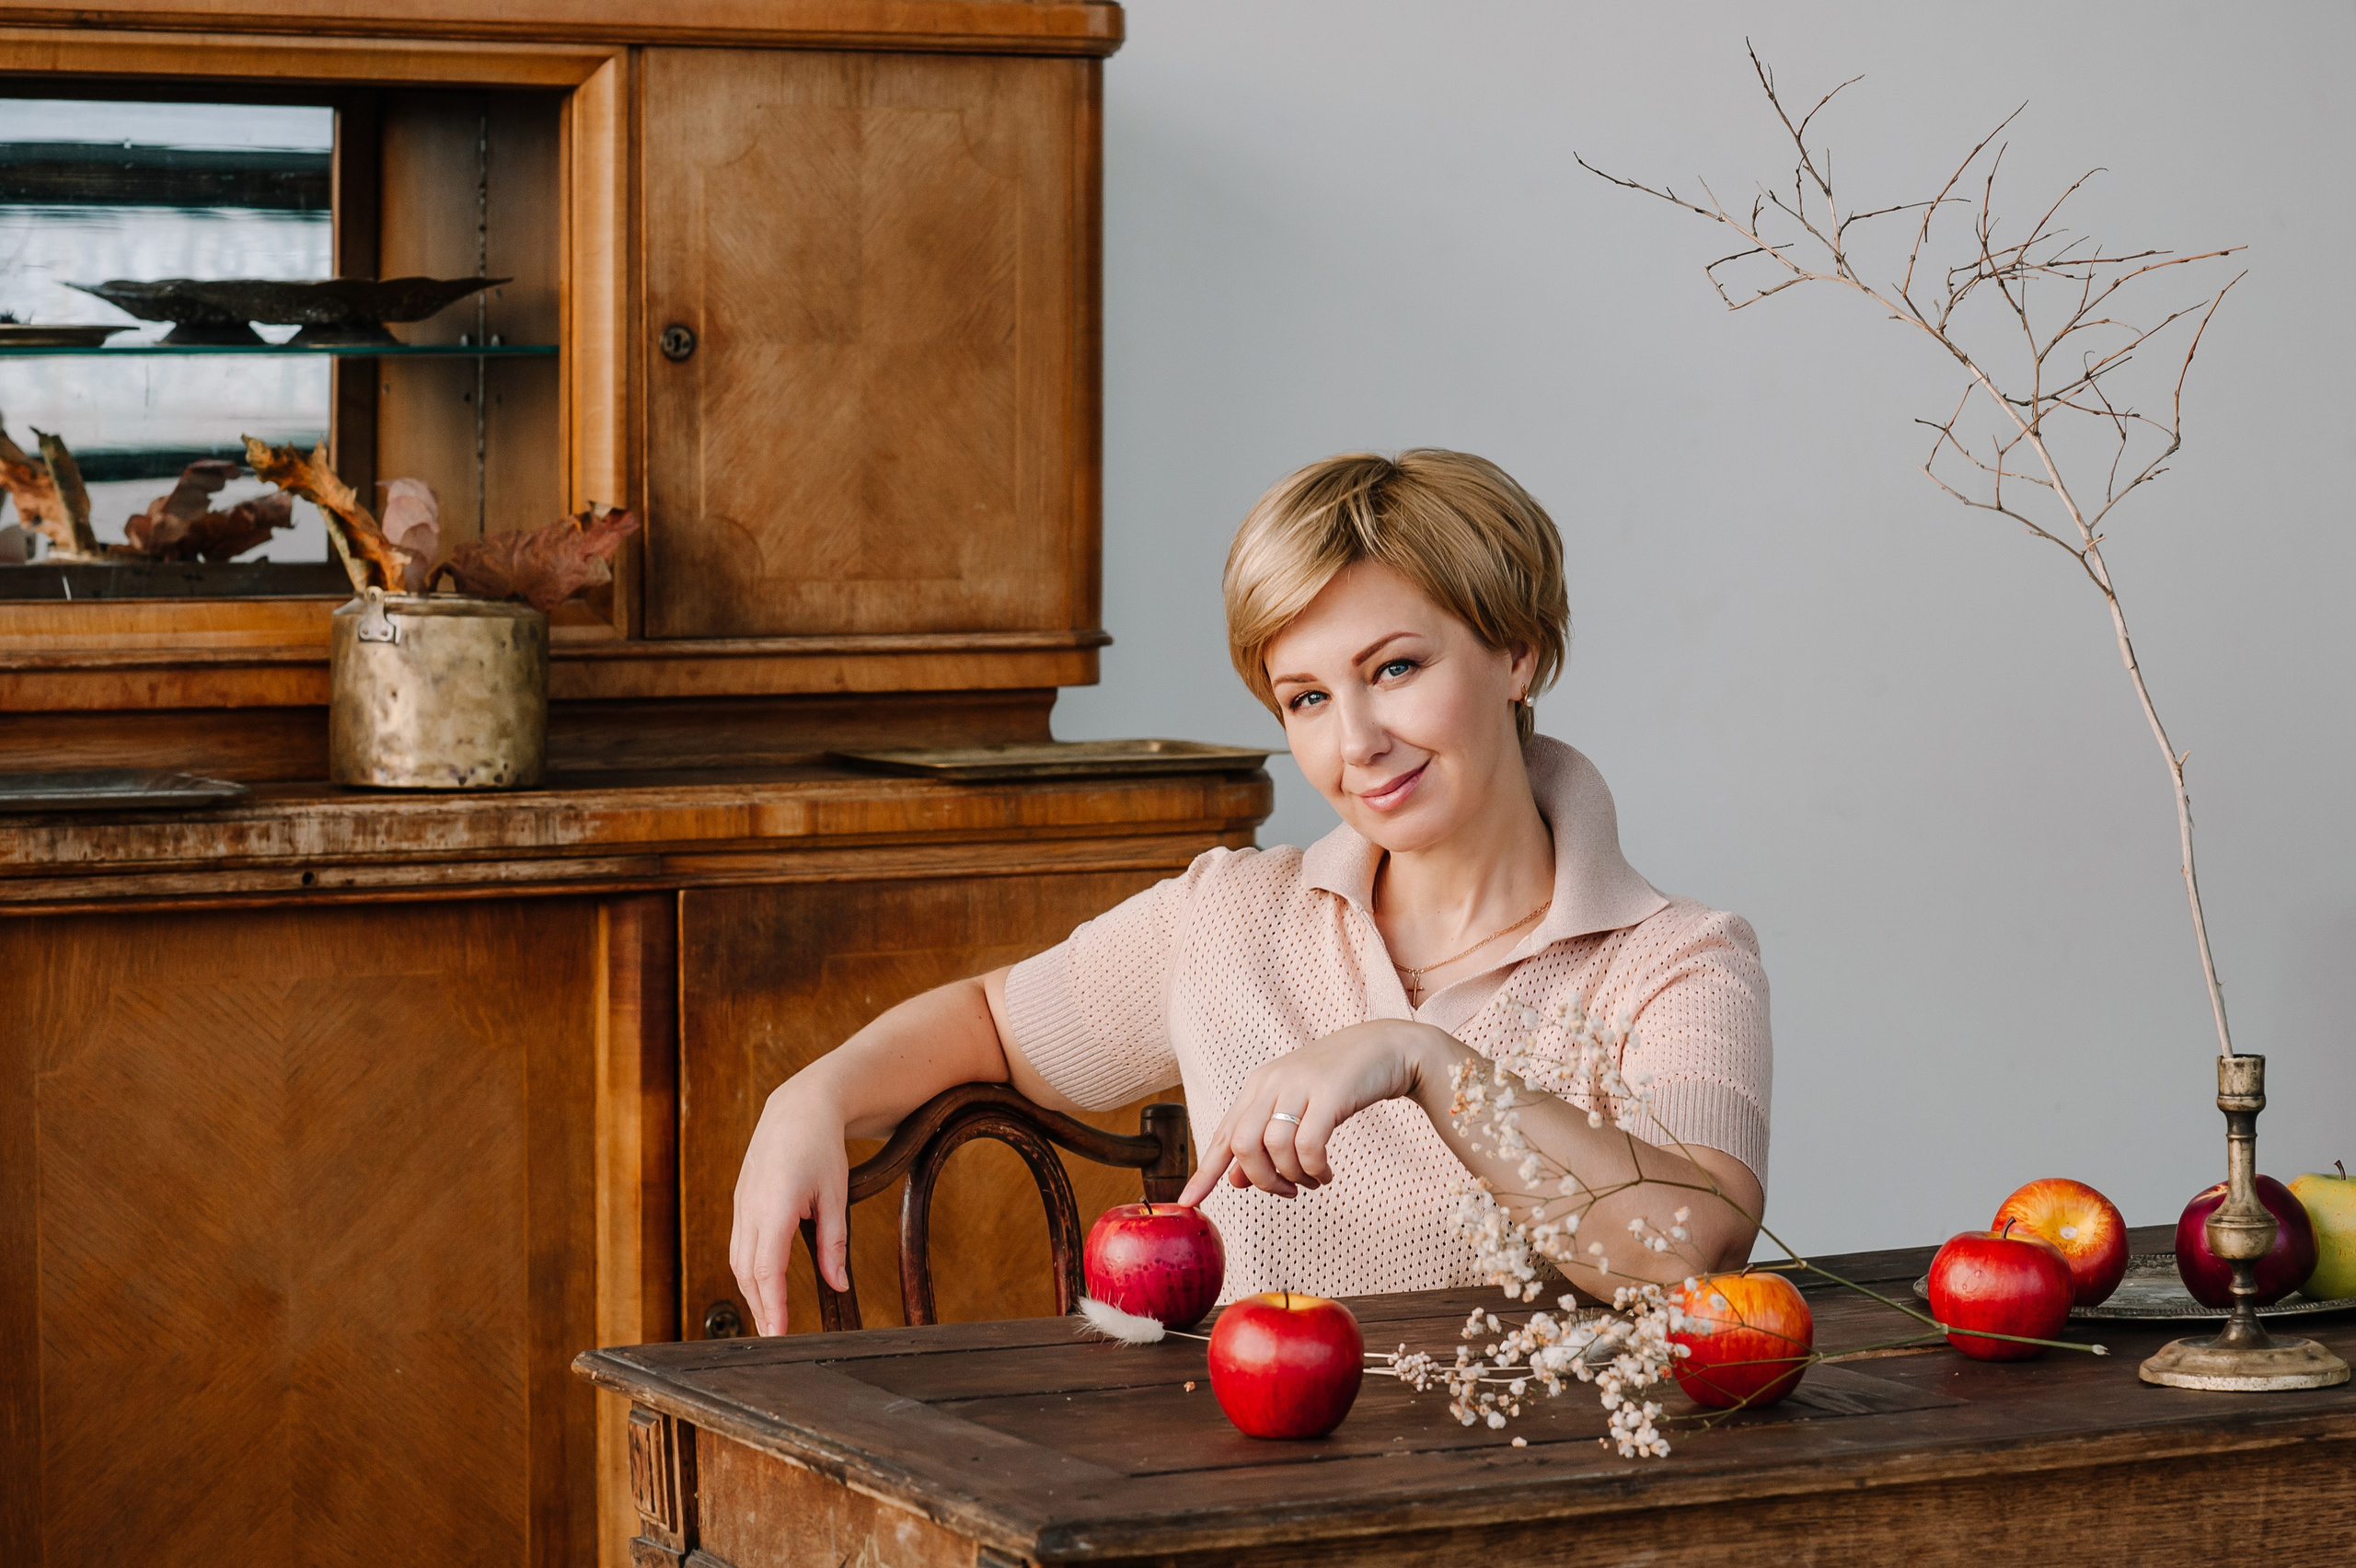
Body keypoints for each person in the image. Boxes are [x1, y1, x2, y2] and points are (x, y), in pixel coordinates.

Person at [731, 450, 1771, 1335]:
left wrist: (1421, 1060)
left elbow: (1691, 1251)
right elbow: (992, 1024)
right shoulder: (1229, 916)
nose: (1356, 742)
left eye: (1396, 669)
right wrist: (812, 1097)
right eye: (1307, 698)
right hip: (1241, 1480)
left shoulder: (1677, 961)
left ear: (1517, 654)